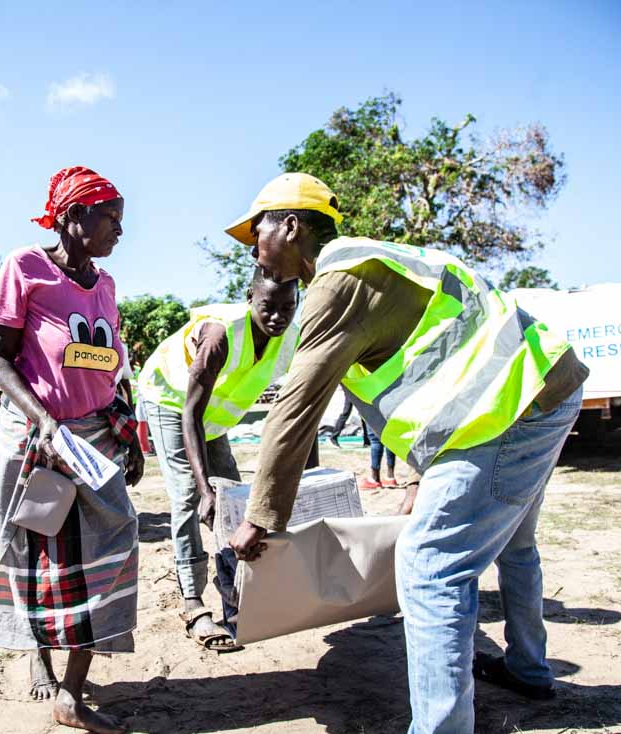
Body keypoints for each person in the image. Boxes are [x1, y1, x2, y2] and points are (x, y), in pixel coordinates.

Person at [224, 173, 589, 734]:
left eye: (257, 234)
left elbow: (294, 410)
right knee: (515, 543)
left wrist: (260, 517)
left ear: (291, 225)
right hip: (540, 385)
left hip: (508, 411)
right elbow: (430, 381)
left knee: (430, 568)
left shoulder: (336, 283)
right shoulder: (378, 264)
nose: (254, 251)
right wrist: (420, 475)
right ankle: (527, 668)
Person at [0, 166, 143, 734]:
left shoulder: (106, 285)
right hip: (36, 436)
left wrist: (131, 430)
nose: (120, 230)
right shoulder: (25, 267)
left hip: (95, 438)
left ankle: (70, 691)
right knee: (34, 551)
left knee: (112, 545)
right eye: (111, 218)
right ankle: (39, 657)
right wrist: (44, 419)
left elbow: (112, 362)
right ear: (74, 216)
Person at [138, 266, 299, 651]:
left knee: (235, 500)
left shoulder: (291, 340)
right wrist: (203, 486)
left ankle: (235, 593)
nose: (277, 317)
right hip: (172, 401)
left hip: (213, 418)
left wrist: (302, 477)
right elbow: (189, 413)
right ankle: (193, 603)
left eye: (288, 307)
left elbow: (298, 410)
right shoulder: (220, 334)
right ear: (249, 299)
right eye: (267, 306)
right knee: (191, 498)